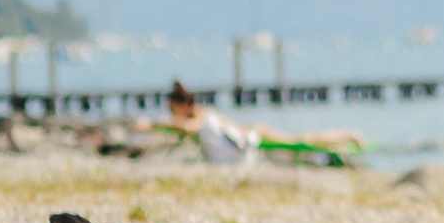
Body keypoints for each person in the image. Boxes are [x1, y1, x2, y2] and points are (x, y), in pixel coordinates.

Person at [143, 82, 365, 165]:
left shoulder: (201, 116)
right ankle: (341, 142)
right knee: (299, 142)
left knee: (301, 141)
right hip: (250, 136)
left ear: (182, 105)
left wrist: (152, 125)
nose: (171, 114)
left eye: (172, 109)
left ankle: (347, 135)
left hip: (254, 138)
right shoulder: (203, 116)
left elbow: (188, 128)